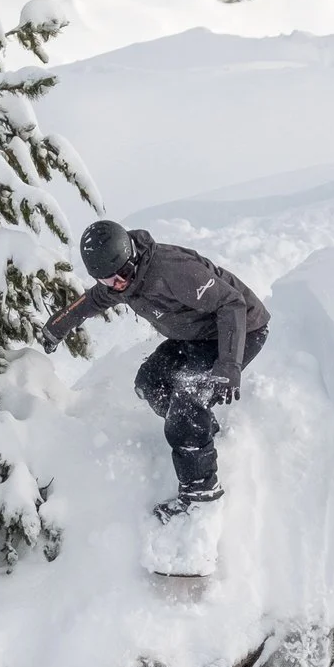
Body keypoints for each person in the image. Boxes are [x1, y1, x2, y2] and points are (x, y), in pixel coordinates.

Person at [40, 219, 269, 522]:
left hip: (238, 332)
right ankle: (202, 432)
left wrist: (228, 364)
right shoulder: (123, 281)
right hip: (193, 336)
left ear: (131, 256)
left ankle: (201, 496)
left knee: (184, 407)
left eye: (120, 275)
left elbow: (231, 304)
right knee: (150, 382)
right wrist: (55, 328)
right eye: (108, 281)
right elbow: (92, 300)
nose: (117, 284)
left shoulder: (171, 270)